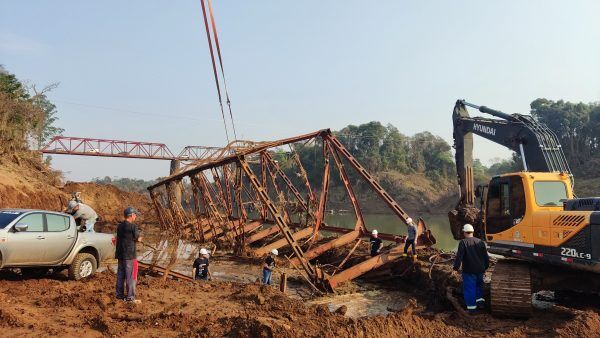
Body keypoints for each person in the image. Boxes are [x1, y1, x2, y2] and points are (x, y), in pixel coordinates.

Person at [453, 223, 490, 313]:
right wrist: (485, 267)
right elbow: (486, 257)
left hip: (469, 271)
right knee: (479, 287)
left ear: (464, 232)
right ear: (472, 232)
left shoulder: (463, 242)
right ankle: (480, 304)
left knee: (470, 289)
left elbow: (459, 257)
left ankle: (472, 309)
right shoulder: (480, 242)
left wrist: (455, 268)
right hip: (480, 270)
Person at [115, 207, 142, 303]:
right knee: (131, 277)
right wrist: (140, 238)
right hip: (130, 255)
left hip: (120, 254)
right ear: (131, 215)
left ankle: (119, 296)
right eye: (135, 214)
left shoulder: (119, 226)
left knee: (120, 275)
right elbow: (138, 238)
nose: (136, 216)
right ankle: (130, 298)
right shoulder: (133, 227)